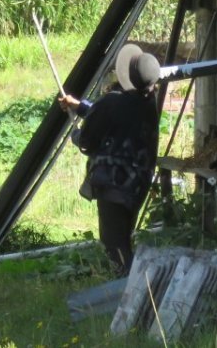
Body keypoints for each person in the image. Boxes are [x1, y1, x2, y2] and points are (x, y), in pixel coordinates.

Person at [59, 44, 161, 276]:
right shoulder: (147, 103)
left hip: (114, 185)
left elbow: (87, 140)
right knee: (124, 238)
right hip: (138, 184)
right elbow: (111, 113)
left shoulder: (113, 102)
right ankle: (130, 281)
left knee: (113, 243)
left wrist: (75, 134)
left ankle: (127, 289)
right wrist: (80, 106)